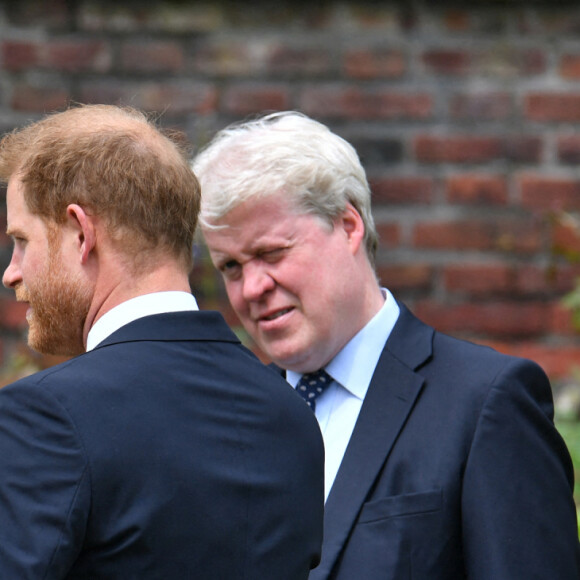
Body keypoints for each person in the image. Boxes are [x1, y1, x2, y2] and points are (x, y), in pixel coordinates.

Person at [192, 111, 580, 579]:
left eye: (271, 253)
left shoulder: (484, 404)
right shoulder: (231, 420)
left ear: (349, 226)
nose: (251, 287)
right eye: (231, 267)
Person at [0, 104, 324, 579]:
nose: (11, 272)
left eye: (22, 240)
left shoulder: (44, 417)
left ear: (81, 233)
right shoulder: (288, 413)